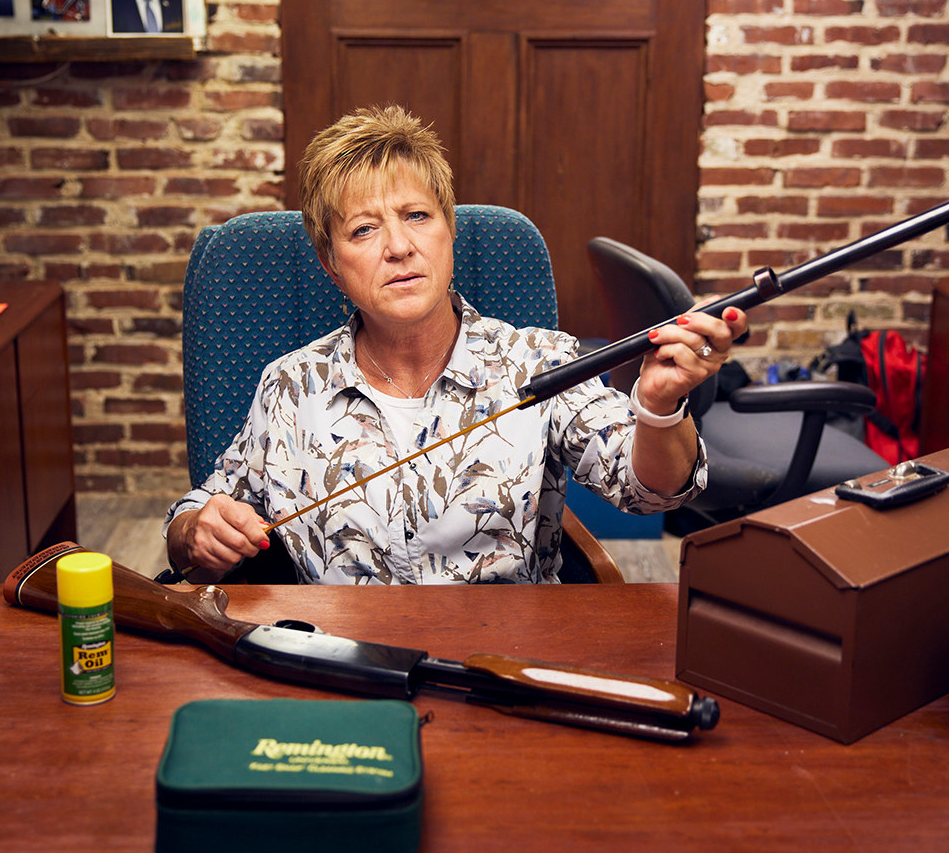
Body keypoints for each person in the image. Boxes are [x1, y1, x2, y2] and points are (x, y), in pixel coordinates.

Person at [164, 107, 739, 584]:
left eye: (417, 215)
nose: (398, 246)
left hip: (507, 666)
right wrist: (195, 530)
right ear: (332, 267)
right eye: (363, 229)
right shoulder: (289, 387)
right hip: (343, 669)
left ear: (449, 231)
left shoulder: (540, 363)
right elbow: (200, 509)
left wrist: (660, 408)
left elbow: (652, 493)